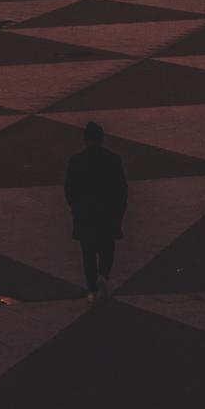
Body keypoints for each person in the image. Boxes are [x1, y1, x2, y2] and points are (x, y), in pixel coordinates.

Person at [62, 121, 129, 301]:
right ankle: (104, 276)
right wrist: (118, 213)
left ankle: (91, 289)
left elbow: (69, 189)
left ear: (85, 140)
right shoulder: (113, 159)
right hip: (107, 213)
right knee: (107, 248)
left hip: (85, 214)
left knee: (88, 253)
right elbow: (122, 190)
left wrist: (76, 208)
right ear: (102, 139)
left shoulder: (76, 160)